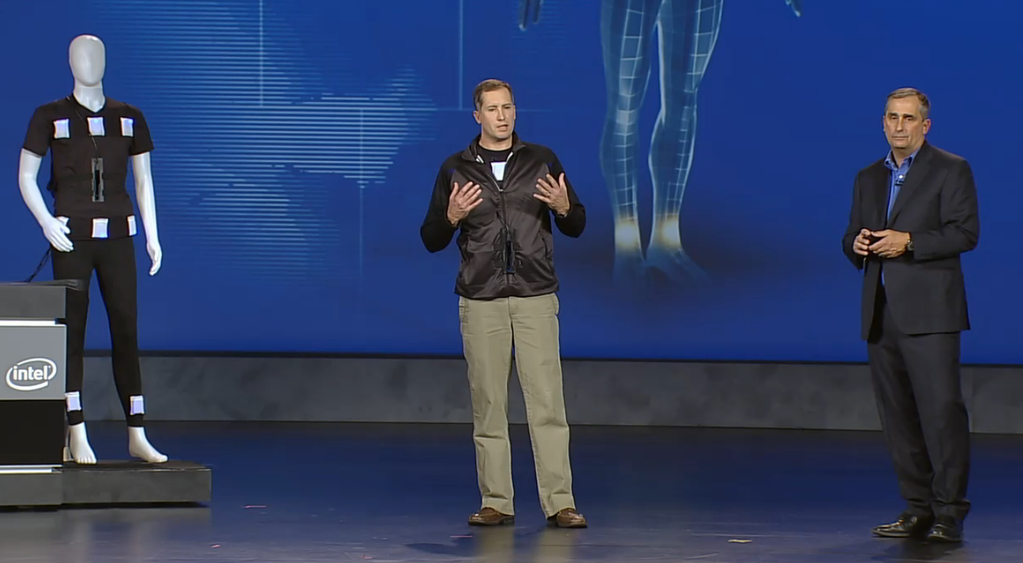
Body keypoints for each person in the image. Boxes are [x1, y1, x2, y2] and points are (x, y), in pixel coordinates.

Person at [420, 79, 587, 528]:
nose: (502, 116)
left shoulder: (541, 160)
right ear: (477, 115)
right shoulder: (455, 168)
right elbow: (431, 237)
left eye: (508, 107)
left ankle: (560, 502)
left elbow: (577, 224)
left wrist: (564, 207)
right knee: (489, 403)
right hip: (481, 299)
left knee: (547, 402)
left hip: (535, 295)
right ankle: (496, 500)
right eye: (492, 109)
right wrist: (451, 216)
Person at [17, 34, 167, 465]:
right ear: (70, 62)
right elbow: (25, 176)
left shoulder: (129, 118)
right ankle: (76, 429)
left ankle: (137, 430)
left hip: (119, 236)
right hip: (73, 239)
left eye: (96, 55)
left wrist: (153, 235)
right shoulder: (49, 116)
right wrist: (47, 222)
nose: (89, 62)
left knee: (126, 330)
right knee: (72, 334)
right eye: (82, 56)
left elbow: (143, 179)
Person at [842, 87, 979, 543]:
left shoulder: (951, 169)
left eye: (908, 118)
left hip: (931, 314)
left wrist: (911, 242)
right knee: (898, 417)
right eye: (892, 117)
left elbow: (965, 233)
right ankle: (917, 508)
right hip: (881, 312)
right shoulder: (868, 177)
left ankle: (949, 513)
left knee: (941, 414)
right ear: (882, 122)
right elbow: (850, 235)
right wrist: (856, 244)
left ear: (925, 125)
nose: (899, 125)